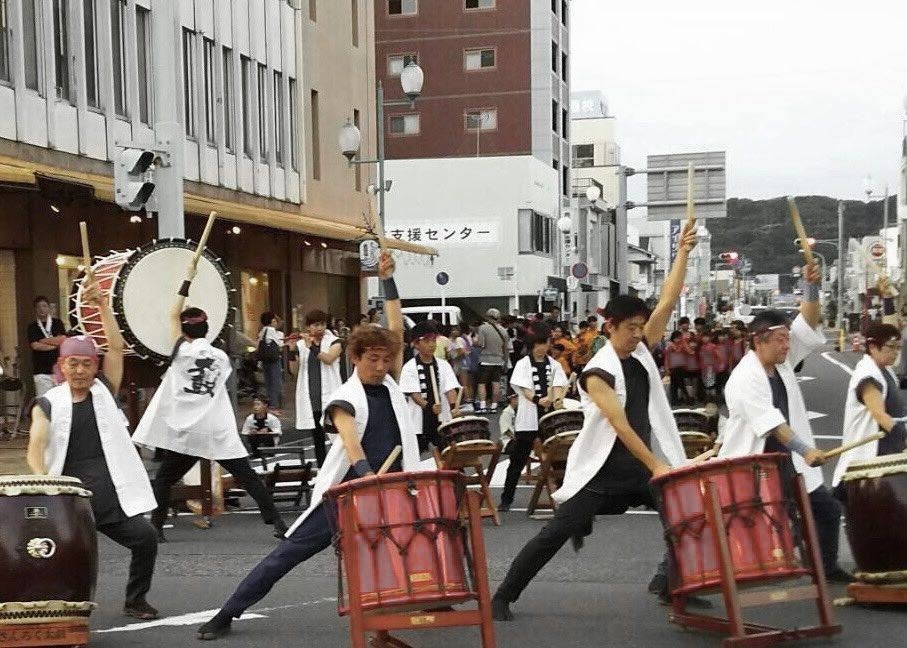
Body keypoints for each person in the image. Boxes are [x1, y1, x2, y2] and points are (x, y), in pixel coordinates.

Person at [195, 250, 421, 640]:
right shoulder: (346, 397)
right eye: (373, 359)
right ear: (355, 357)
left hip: (392, 488)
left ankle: (418, 609)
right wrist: (367, 478)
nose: (382, 365)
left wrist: (388, 280)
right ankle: (227, 612)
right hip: (348, 493)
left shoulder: (392, 385)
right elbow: (351, 444)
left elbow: (396, 329)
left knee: (411, 545)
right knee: (287, 555)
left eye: (386, 359)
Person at [491, 221, 700, 621]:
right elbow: (620, 426)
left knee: (686, 517)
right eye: (632, 329)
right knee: (554, 533)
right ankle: (503, 595)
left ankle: (670, 582)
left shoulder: (639, 352)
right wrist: (658, 466)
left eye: (642, 328)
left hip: (643, 467)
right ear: (610, 328)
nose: (640, 335)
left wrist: (684, 253)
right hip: (603, 472)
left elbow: (668, 302)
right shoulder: (596, 371)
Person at [26, 277, 159, 620]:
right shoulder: (47, 402)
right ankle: (57, 611)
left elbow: (115, 348)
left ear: (94, 366)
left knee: (145, 538)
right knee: (61, 556)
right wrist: (44, 482)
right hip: (70, 501)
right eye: (74, 363)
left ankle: (135, 600)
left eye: (87, 363)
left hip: (111, 496)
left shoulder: (105, 391)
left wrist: (102, 307)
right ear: (62, 366)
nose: (81, 369)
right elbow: (35, 446)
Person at [719, 264, 852, 583]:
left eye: (787, 340)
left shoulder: (781, 365)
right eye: (781, 340)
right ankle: (674, 575)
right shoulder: (744, 378)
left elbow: (808, 323)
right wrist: (806, 450)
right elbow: (774, 425)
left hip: (785, 463)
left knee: (826, 511)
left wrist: (811, 287)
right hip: (756, 464)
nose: (788, 346)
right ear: (759, 340)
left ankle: (825, 567)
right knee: (724, 524)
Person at [133, 278, 285, 541]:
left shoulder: (181, 352)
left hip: (188, 432)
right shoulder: (221, 357)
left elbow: (172, 315)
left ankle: (156, 528)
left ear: (184, 330)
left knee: (165, 479)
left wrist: (185, 284)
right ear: (207, 329)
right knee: (247, 476)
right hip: (215, 429)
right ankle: (278, 523)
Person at [831, 322, 906, 499]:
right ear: (872, 347)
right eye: (891, 347)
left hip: (885, 459)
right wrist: (903, 437)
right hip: (868, 460)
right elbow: (879, 414)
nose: (896, 352)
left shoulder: (885, 370)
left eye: (898, 347)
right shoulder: (868, 375)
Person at [497, 334, 568, 512]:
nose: (542, 347)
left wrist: (556, 399)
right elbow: (524, 389)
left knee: (560, 459)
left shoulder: (554, 364)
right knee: (518, 460)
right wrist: (538, 399)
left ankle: (566, 498)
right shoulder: (522, 364)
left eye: (545, 343)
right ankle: (506, 499)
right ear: (532, 345)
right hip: (528, 418)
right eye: (539, 343)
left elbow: (559, 385)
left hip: (550, 419)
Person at [289, 310, 343, 468]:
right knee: (318, 438)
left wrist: (312, 347)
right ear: (308, 326)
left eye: (322, 324)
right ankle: (322, 470)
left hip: (331, 396)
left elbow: (329, 359)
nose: (319, 328)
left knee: (337, 436)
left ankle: (340, 468)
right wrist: (292, 349)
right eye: (315, 324)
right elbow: (294, 370)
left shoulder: (335, 341)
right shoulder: (301, 344)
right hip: (311, 398)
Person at [400, 320, 461, 453]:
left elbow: (450, 388)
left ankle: (453, 474)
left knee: (449, 454)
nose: (432, 344)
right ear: (416, 344)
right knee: (415, 456)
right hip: (418, 420)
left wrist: (453, 407)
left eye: (434, 340)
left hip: (442, 418)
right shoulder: (409, 367)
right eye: (427, 341)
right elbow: (414, 393)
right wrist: (428, 406)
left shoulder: (443, 365)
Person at [27, 295, 67, 398]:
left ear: (49, 308)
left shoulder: (57, 323)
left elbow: (62, 340)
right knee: (44, 402)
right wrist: (54, 344)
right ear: (35, 309)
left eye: (44, 306)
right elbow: (35, 346)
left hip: (59, 370)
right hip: (41, 371)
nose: (42, 309)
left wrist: (44, 340)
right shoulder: (32, 327)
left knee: (60, 400)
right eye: (39, 307)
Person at [475, 308, 510, 411]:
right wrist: (505, 362)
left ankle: (482, 406)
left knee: (482, 383)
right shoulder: (503, 330)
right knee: (496, 383)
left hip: (485, 359)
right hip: (499, 361)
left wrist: (474, 343)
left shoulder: (483, 328)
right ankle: (494, 406)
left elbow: (481, 344)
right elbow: (505, 349)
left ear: (487, 317)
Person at [240, 395, 282, 467]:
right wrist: (251, 432)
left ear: (265, 405)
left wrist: (268, 431)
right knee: (253, 437)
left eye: (258, 404)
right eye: (254, 405)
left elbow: (278, 432)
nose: (256, 407)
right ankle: (255, 453)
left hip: (269, 441)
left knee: (266, 436)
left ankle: (269, 452)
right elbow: (244, 432)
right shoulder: (250, 418)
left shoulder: (272, 418)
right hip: (255, 441)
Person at [257, 312, 285, 411]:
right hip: (274, 359)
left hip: (265, 360)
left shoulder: (262, 330)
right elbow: (279, 344)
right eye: (274, 319)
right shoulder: (271, 330)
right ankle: (274, 404)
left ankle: (269, 403)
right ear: (272, 320)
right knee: (275, 382)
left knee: (268, 382)